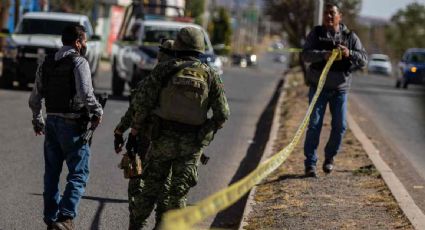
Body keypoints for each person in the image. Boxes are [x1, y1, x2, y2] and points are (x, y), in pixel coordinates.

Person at [128, 27, 230, 229]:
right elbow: (223, 114)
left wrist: (134, 132)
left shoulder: (164, 69)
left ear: (179, 46)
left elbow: (143, 104)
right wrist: (205, 134)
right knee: (179, 194)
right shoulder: (210, 74)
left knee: (149, 190)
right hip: (191, 145)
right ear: (200, 48)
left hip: (161, 139)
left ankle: (137, 226)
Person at [29, 24, 103, 230]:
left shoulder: (47, 62)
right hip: (72, 125)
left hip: (51, 123)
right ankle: (65, 218)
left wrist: (37, 118)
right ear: (78, 42)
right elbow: (86, 94)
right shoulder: (79, 62)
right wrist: (98, 111)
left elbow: (35, 96)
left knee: (51, 173)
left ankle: (51, 218)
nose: (85, 45)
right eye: (85, 41)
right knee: (78, 174)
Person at [113, 39, 175, 229]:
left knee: (137, 186)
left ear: (161, 55)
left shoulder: (151, 80)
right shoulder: (183, 81)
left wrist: (120, 131)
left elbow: (135, 110)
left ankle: (137, 225)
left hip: (145, 141)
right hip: (173, 143)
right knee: (165, 188)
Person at [302, 2, 367, 177]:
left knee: (340, 126)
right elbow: (305, 55)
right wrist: (322, 55)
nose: (329, 17)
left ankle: (329, 158)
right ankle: (310, 164)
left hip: (340, 90)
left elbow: (364, 59)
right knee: (314, 125)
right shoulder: (316, 34)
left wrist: (349, 53)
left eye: (332, 13)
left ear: (340, 16)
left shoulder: (350, 37)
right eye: (326, 14)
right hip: (318, 88)